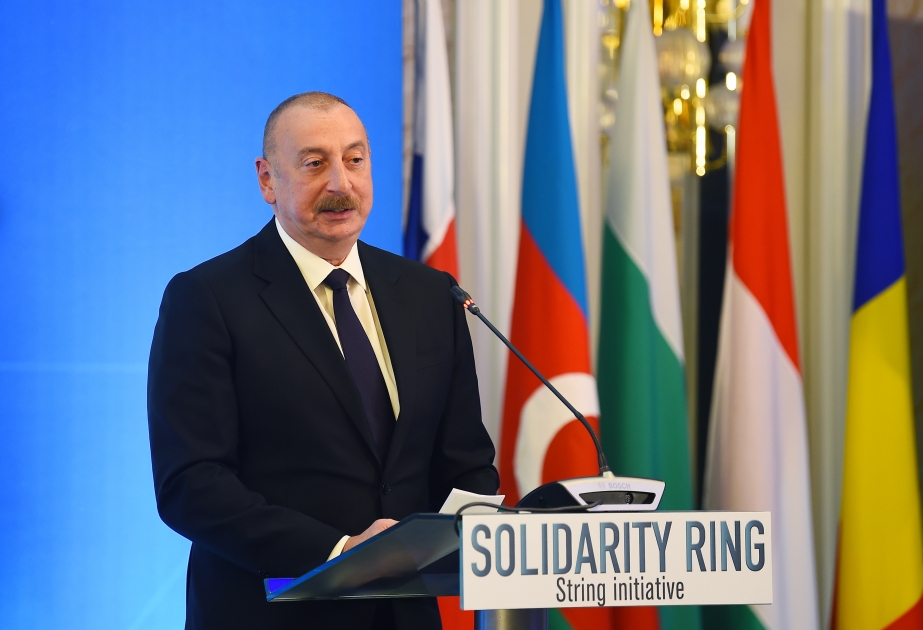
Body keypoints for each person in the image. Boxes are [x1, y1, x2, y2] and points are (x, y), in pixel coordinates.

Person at [147, 92, 499, 630]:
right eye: (315, 164)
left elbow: (466, 462)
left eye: (355, 160)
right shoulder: (207, 298)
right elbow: (191, 484)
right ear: (267, 180)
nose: (341, 183)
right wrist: (340, 551)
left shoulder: (431, 294)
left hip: (405, 617)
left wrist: (475, 532)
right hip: (270, 613)